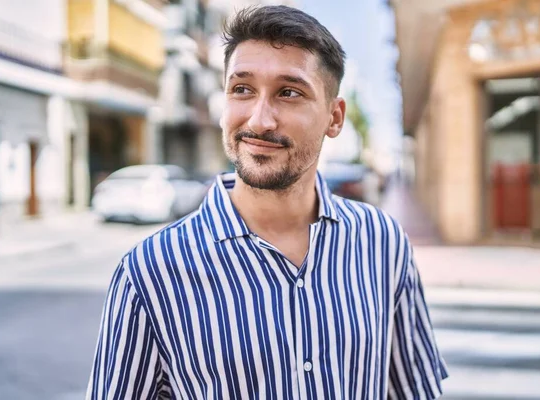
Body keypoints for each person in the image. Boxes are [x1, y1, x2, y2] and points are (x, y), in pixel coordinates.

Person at [86, 5, 448, 399]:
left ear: (335, 117)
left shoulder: (382, 243)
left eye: (289, 93)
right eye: (242, 89)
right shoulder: (149, 274)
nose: (259, 121)